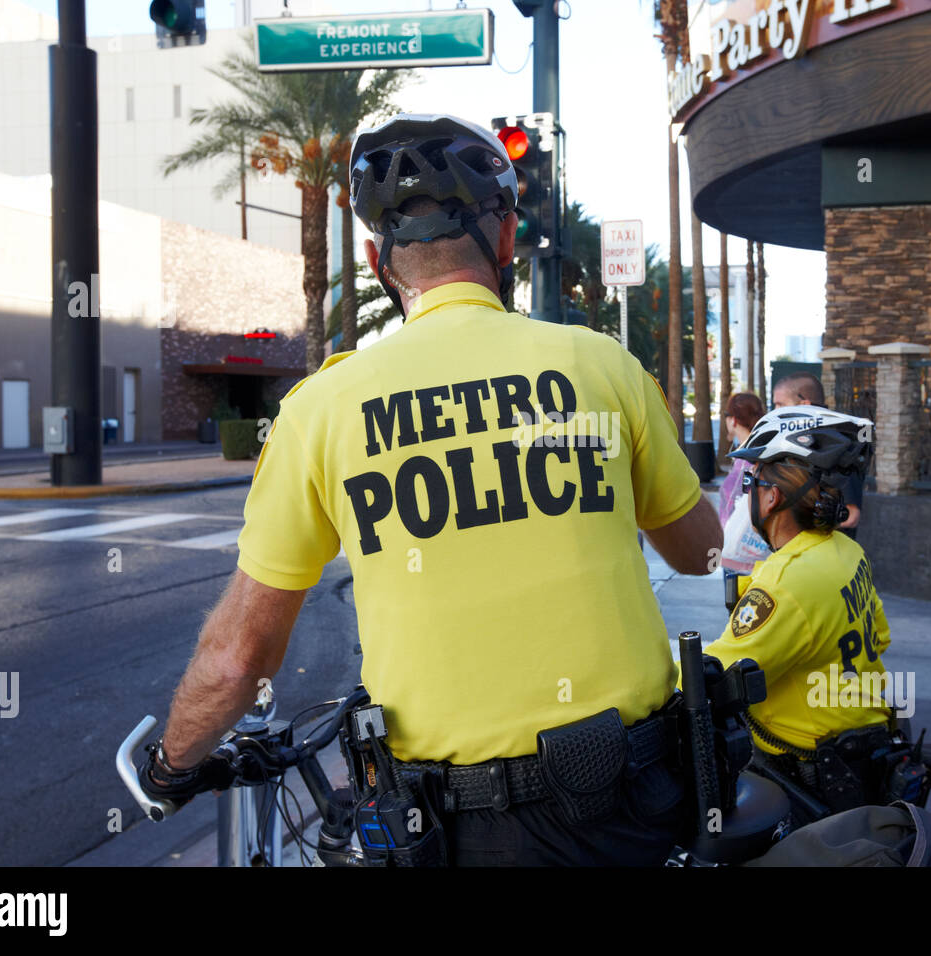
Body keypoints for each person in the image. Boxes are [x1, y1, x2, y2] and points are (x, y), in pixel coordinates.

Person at [138, 113, 723, 866]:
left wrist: (169, 766)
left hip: (457, 831)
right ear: (507, 239)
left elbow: (237, 655)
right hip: (633, 803)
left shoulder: (321, 410)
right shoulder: (602, 366)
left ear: (382, 260)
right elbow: (702, 554)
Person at [704, 406, 897, 826]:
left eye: (751, 481)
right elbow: (878, 637)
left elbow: (718, 676)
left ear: (772, 497)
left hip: (805, 772)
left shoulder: (787, 579)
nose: (745, 493)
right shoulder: (847, 551)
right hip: (864, 751)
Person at [773, 371, 865, 538]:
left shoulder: (835, 445)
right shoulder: (803, 442)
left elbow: (851, 515)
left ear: (805, 405)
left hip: (828, 555)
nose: (774, 412)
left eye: (780, 405)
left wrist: (798, 530)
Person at [717, 392, 766, 575]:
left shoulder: (747, 459)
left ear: (733, 420)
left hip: (740, 557)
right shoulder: (754, 454)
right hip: (747, 552)